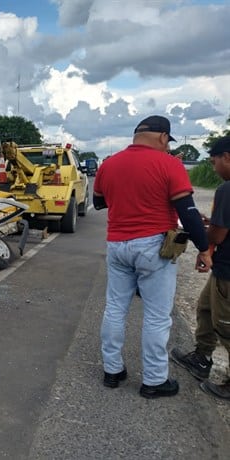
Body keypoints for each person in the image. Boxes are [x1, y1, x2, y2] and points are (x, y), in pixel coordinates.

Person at [93, 115, 212, 399]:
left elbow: (99, 202)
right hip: (153, 246)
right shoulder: (169, 164)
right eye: (167, 142)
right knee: (157, 317)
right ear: (162, 137)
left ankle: (112, 371)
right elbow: (188, 212)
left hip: (117, 245)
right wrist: (204, 248)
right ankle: (155, 380)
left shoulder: (109, 164)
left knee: (114, 308)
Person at [171, 136, 230, 400]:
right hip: (222, 269)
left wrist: (202, 231)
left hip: (228, 272)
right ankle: (202, 357)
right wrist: (210, 224)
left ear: (226, 156)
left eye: (214, 160)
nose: (214, 166)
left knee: (226, 325)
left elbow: (218, 236)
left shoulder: (227, 190)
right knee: (205, 308)